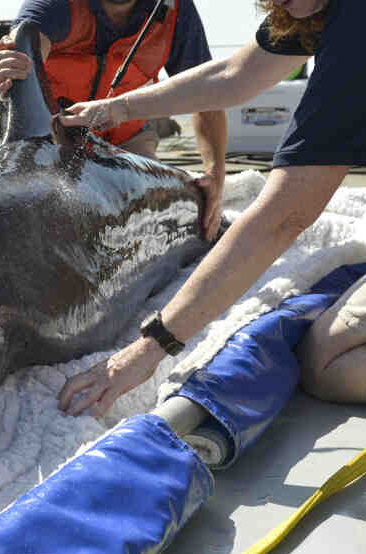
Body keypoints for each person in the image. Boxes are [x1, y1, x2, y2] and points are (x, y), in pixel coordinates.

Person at [56, 0, 366, 416]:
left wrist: (150, 348)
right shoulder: (318, 9)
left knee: (325, 362)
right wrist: (114, 109)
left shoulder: (354, 24)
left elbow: (285, 217)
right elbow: (232, 75)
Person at [0, 0, 227, 242]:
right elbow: (25, 45)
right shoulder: (56, 4)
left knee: (153, 227)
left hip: (129, 144)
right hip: (51, 142)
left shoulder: (175, 10)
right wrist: (8, 72)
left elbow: (204, 93)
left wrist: (215, 175)